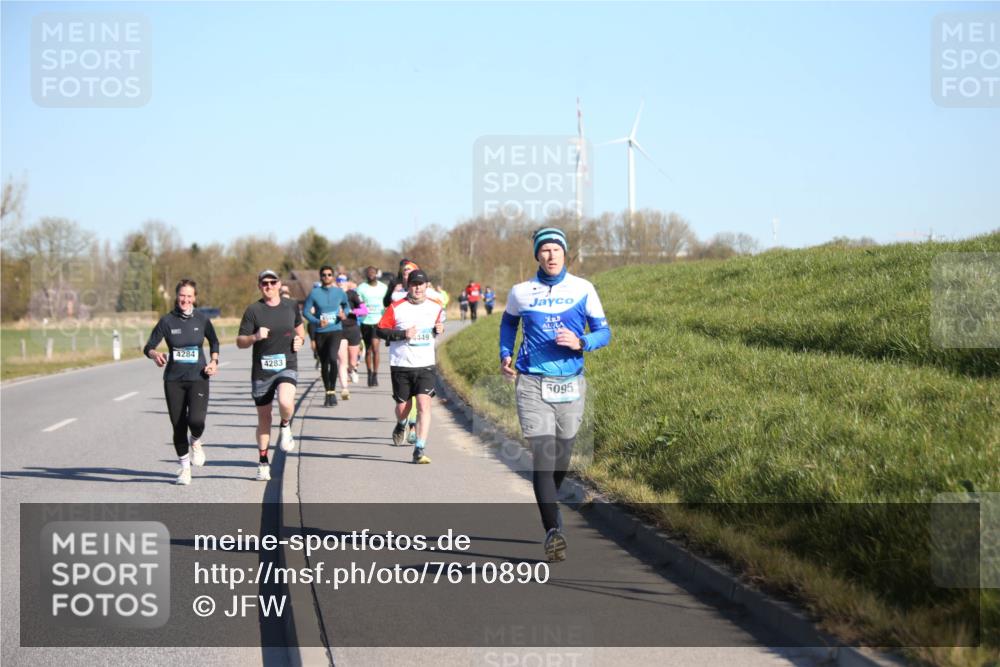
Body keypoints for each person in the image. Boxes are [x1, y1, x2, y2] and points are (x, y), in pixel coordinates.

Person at [499, 228, 611, 562]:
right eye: (544, 250)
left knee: (562, 457)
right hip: (533, 383)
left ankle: (552, 507)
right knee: (544, 459)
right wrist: (506, 353)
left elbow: (603, 332)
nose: (550, 255)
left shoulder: (583, 288)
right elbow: (508, 324)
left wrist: (582, 343)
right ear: (537, 255)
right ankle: (553, 531)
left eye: (555, 249)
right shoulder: (521, 292)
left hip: (571, 383)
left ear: (565, 254)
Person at [143, 279, 220, 485]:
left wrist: (213, 361)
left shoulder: (202, 319)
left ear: (194, 297)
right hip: (173, 380)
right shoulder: (167, 321)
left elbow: (214, 341)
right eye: (181, 296)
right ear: (177, 297)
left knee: (196, 421)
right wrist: (154, 354)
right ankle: (185, 469)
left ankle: (195, 440)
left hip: (199, 378)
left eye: (189, 296)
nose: (185, 299)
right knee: (178, 425)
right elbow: (149, 346)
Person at [237, 270, 305, 481]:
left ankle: (285, 425)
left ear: (279, 284)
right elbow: (240, 341)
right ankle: (263, 462)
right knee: (264, 418)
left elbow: (301, 332)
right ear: (259, 286)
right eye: (264, 283)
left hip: (287, 364)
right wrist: (255, 337)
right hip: (262, 370)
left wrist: (299, 341)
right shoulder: (253, 310)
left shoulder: (291, 306)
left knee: (286, 401)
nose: (268, 285)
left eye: (272, 282)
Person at [377, 269, 445, 464]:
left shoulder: (435, 307)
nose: (417, 288)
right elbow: (380, 330)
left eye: (421, 284)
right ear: (409, 286)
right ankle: (401, 423)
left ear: (426, 286)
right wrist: (402, 334)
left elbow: (436, 327)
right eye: (414, 284)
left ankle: (420, 447)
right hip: (401, 364)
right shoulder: (397, 307)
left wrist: (438, 329)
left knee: (424, 404)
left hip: (425, 364)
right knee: (403, 407)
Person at [303, 265, 350, 405]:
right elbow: (305, 312)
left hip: (335, 330)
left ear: (333, 276)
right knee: (324, 362)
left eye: (329, 274)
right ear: (320, 277)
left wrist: (344, 314)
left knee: (332, 358)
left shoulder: (339, 292)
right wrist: (317, 321)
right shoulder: (314, 293)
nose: (327, 277)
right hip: (320, 332)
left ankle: (333, 391)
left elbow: (346, 306)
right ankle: (327, 392)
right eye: (324, 275)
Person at [356, 265, 388, 386]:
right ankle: (369, 373)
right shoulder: (361, 288)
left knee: (375, 347)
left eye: (373, 272)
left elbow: (387, 302)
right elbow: (358, 304)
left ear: (376, 274)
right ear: (366, 275)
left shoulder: (383, 287)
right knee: (368, 350)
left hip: (378, 321)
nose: (371, 274)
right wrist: (361, 309)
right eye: (368, 273)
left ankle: (375, 375)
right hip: (365, 321)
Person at [337, 273, 365, 385]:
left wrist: (352, 312)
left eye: (343, 280)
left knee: (352, 361)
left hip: (352, 328)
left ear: (348, 282)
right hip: (338, 329)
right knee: (342, 361)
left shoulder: (353, 294)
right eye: (338, 280)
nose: (340, 282)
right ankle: (344, 389)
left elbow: (364, 310)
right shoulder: (333, 294)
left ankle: (352, 369)